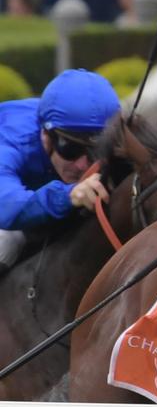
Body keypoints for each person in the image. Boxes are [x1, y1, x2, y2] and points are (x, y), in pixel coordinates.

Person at [0, 70, 120, 274]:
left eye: (95, 151)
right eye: (70, 149)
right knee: (7, 241)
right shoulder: (10, 141)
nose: (83, 165)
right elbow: (5, 205)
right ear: (45, 136)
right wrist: (67, 195)